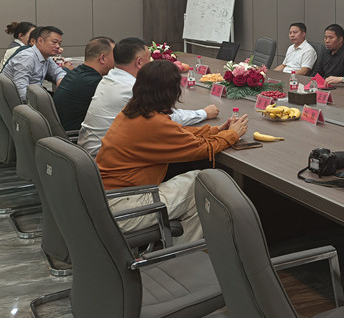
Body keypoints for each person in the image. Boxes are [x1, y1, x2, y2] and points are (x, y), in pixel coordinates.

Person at [96, 60, 248, 243]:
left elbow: (177, 134)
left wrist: (216, 131)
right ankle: (185, 254)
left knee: (195, 179)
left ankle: (187, 246)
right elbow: (202, 149)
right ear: (172, 91)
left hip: (106, 199)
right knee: (203, 184)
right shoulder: (154, 123)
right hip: (125, 208)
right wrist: (232, 135)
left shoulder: (131, 111)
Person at [78, 37, 219, 157]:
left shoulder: (109, 78)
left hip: (89, 154)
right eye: (149, 59)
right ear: (139, 62)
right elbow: (166, 119)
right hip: (103, 157)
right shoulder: (131, 89)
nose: (151, 63)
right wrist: (204, 113)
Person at [53, 37, 115, 132]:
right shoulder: (95, 83)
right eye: (115, 56)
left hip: (63, 133)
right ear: (102, 58)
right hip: (75, 136)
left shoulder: (76, 73)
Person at [0, 26, 74, 101]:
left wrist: (60, 79)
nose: (58, 46)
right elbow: (21, 92)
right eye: (54, 42)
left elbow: (58, 71)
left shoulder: (46, 57)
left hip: (33, 95)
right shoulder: (27, 57)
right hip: (15, 102)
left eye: (59, 43)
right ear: (40, 41)